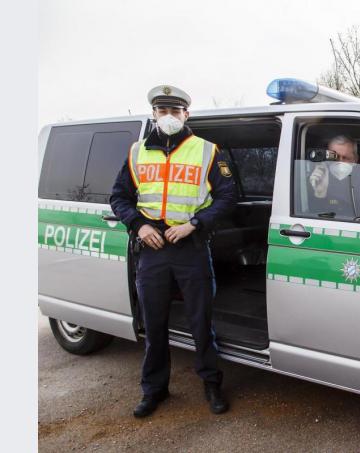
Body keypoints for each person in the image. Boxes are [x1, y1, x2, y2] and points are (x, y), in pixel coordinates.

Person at [110, 85, 237, 418]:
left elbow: (227, 196)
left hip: (190, 248)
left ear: (187, 114)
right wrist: (140, 225)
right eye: (162, 111)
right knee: (153, 326)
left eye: (175, 111)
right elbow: (119, 198)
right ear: (153, 114)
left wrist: (195, 223)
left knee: (200, 323)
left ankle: (211, 384)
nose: (169, 117)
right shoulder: (136, 152)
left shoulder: (208, 151)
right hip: (152, 250)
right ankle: (154, 390)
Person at [306, 135, 360, 222]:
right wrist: (320, 193)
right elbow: (311, 219)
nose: (340, 162)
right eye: (335, 157)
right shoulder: (317, 179)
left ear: (355, 160)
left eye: (345, 158)